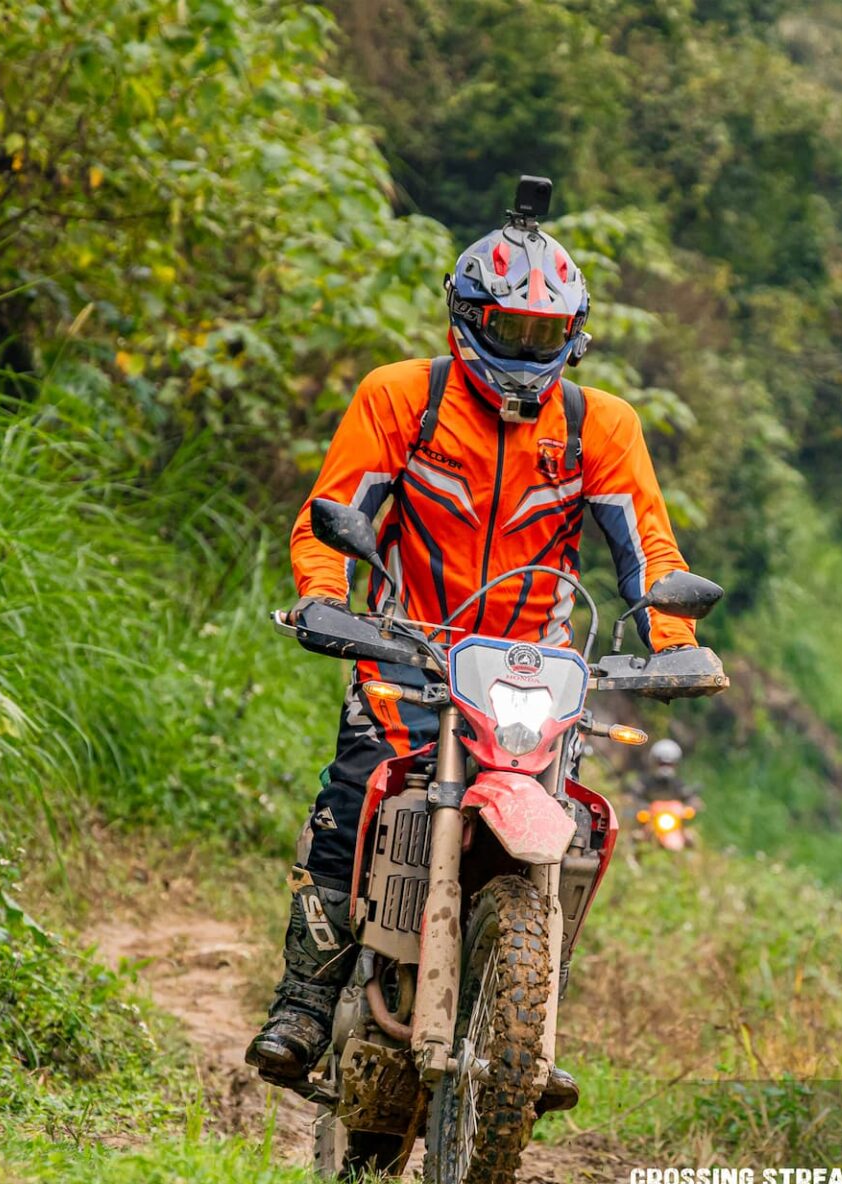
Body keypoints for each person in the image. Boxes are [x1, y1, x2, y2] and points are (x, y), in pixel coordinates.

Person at [245, 185, 712, 1110]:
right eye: (510, 329)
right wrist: (323, 599)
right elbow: (326, 517)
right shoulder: (400, 397)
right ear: (468, 320)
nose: (526, 353)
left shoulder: (599, 426)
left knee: (566, 824)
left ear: (573, 334)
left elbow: (650, 551)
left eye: (546, 336)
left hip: (531, 667)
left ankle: (523, 1023)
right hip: (404, 646)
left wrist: (675, 639)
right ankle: (304, 998)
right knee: (356, 790)